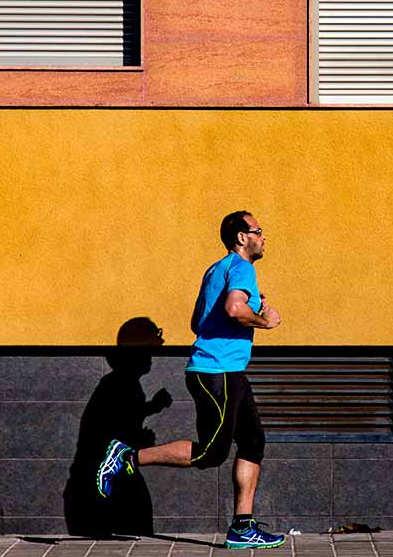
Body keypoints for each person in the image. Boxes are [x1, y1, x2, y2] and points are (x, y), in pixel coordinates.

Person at [95, 211, 285, 548]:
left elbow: (198, 322)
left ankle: (243, 526)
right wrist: (264, 320)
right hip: (217, 372)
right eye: (258, 231)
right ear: (242, 237)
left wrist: (254, 302)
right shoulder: (242, 268)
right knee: (210, 453)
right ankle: (126, 456)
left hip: (227, 372)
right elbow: (233, 309)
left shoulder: (217, 269)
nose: (263, 236)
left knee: (253, 442)